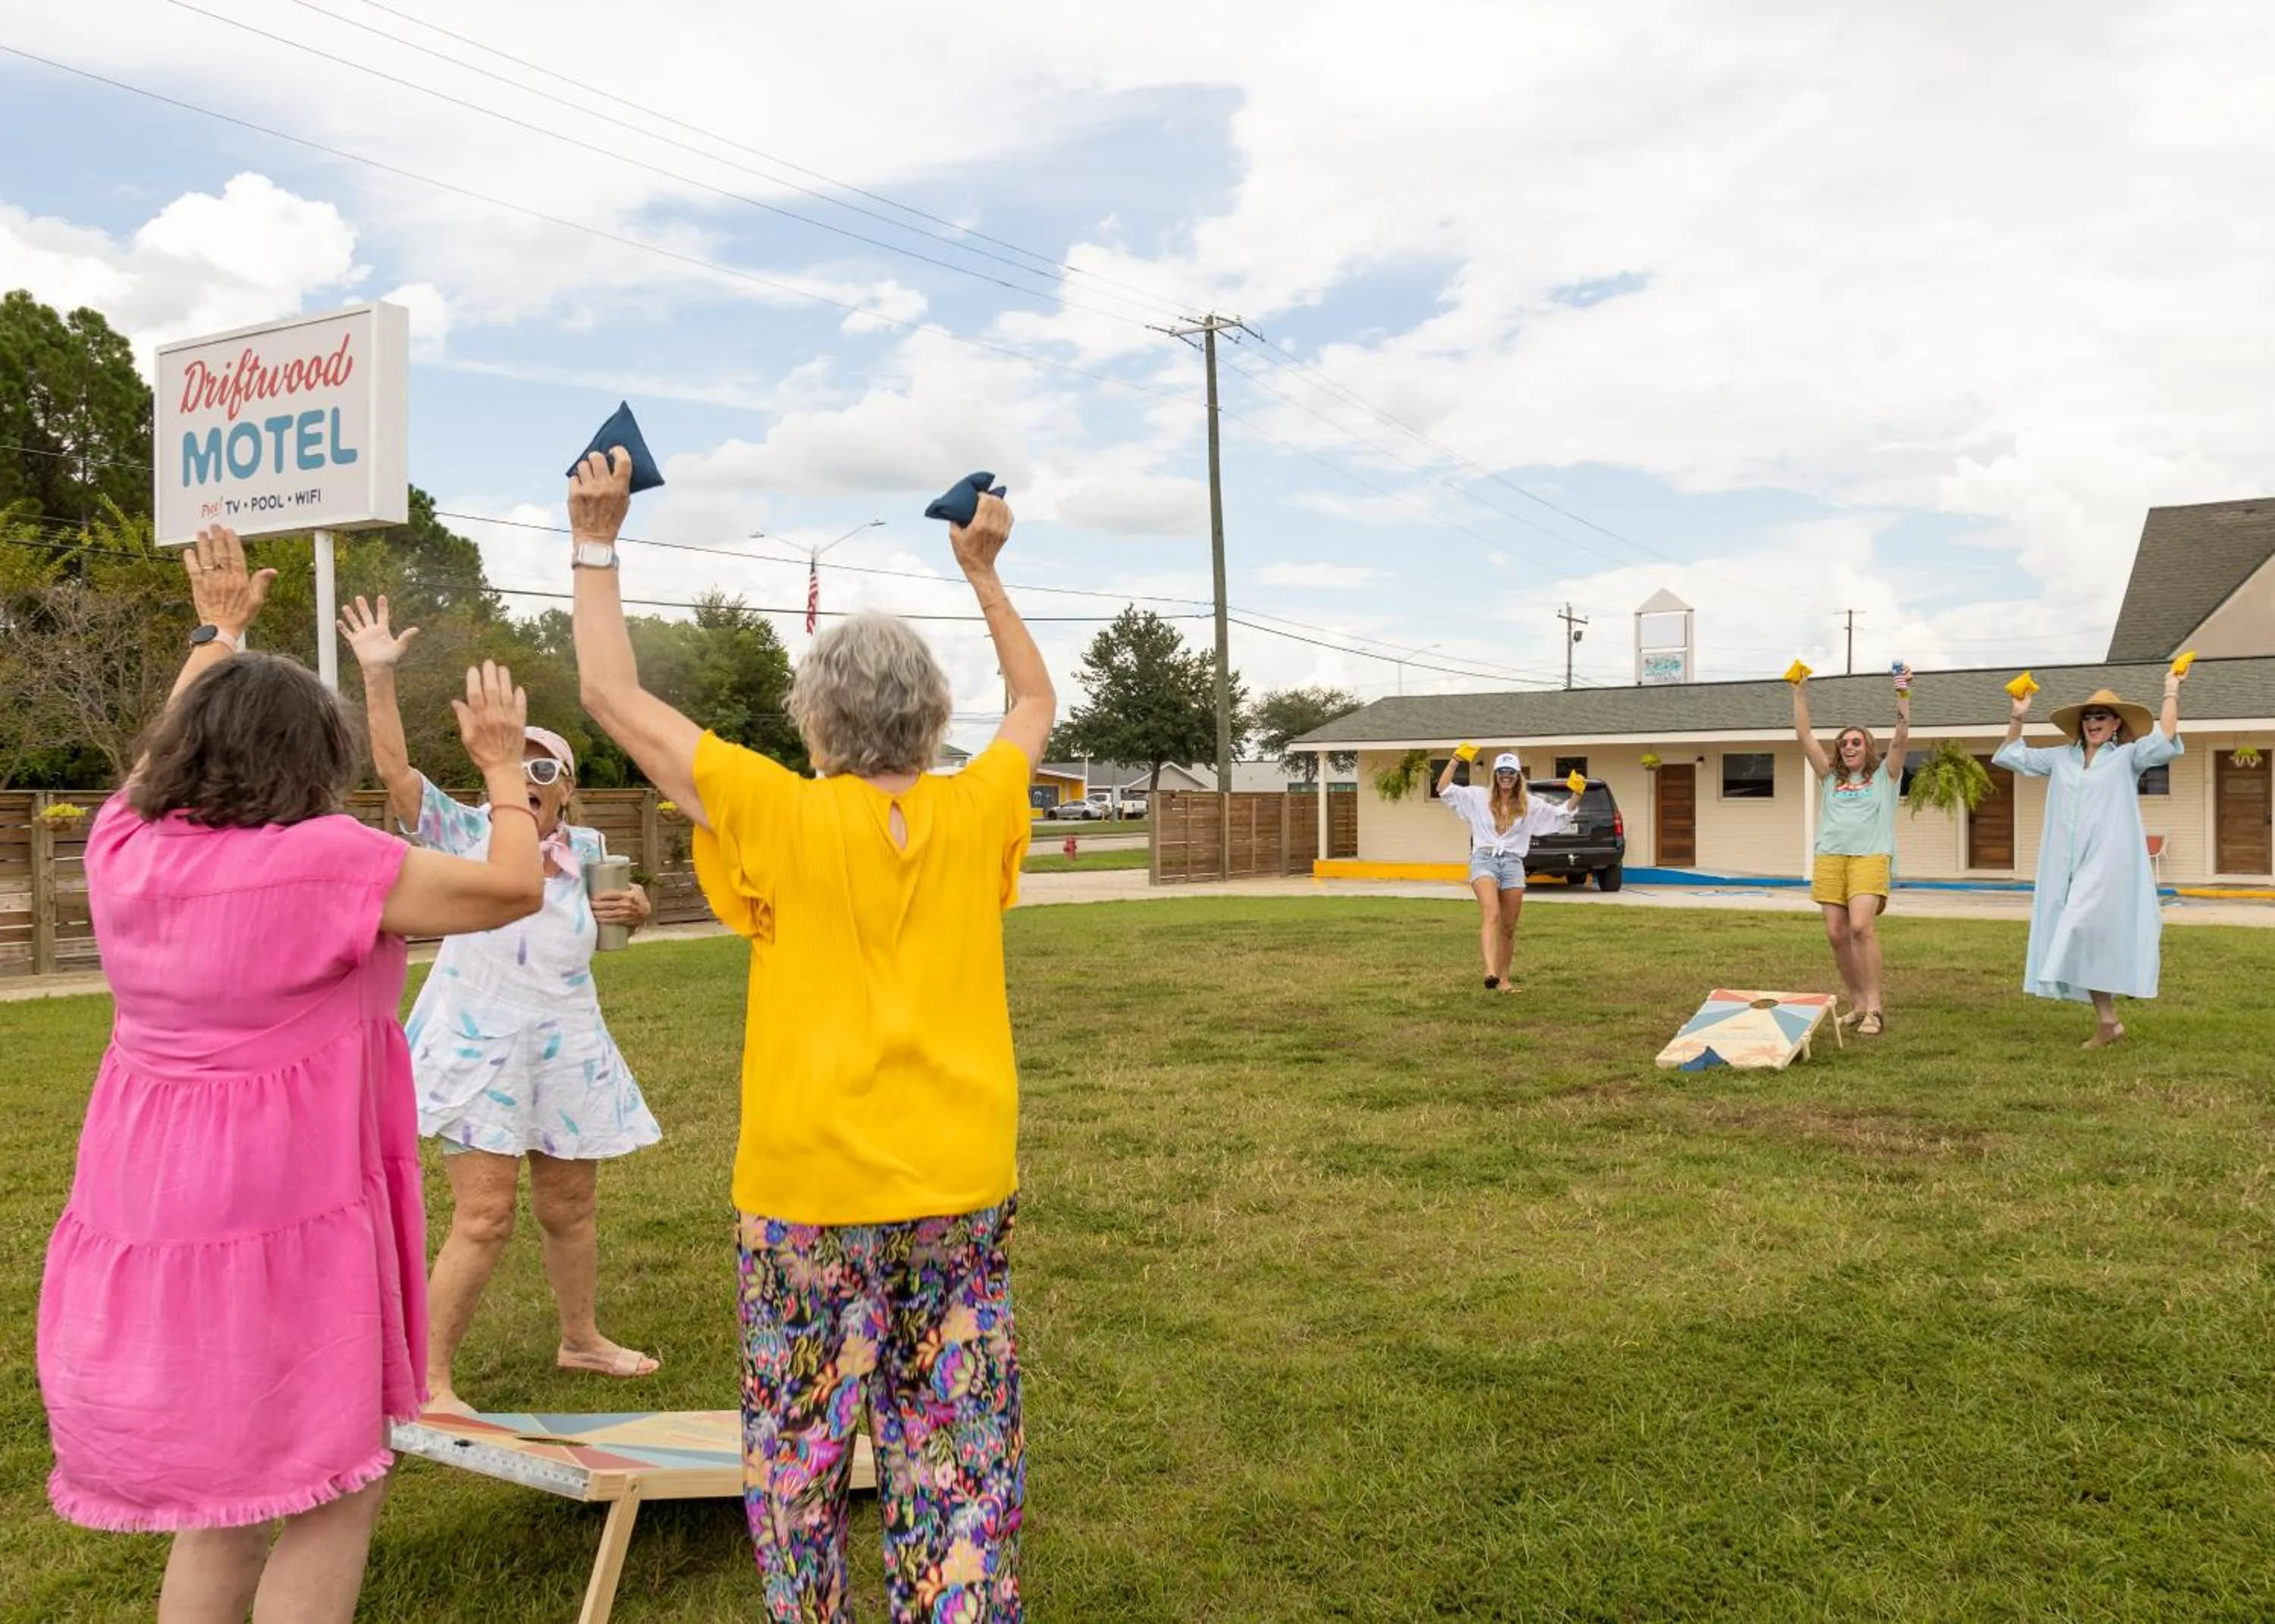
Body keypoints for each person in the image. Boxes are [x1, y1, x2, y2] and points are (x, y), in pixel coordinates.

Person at [565, 447, 1051, 1621]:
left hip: (804, 1195)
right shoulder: (979, 802)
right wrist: (983, 572)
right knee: (958, 1443)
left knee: (794, 1454)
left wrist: (595, 539)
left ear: (817, 720)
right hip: (959, 1184)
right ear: (932, 718)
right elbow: (1034, 704)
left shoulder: (774, 810)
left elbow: (612, 698)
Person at [36, 528, 544, 1624]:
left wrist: (219, 634)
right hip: (285, 1197)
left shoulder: (123, 846)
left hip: (145, 1191)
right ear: (311, 757)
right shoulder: (328, 860)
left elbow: (147, 760)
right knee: (330, 1480)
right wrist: (505, 762)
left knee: (223, 1498)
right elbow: (513, 886)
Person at [338, 596, 663, 1412]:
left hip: (567, 1042)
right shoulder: (463, 829)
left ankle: (580, 1339)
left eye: (544, 765)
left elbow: (597, 930)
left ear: (567, 788)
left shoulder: (589, 851)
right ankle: (431, 1380)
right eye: (516, 761)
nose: (528, 775)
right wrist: (379, 677)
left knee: (570, 1203)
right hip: (481, 1041)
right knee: (484, 1216)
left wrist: (636, 911)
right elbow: (393, 773)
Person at [1994, 672, 2186, 1049]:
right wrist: (2018, 716)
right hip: (2065, 865)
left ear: (2116, 724)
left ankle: (2103, 1012)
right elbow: (2011, 756)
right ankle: (2108, 1021)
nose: (2094, 721)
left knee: (2075, 924)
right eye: (2089, 716)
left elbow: (2165, 738)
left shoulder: (2127, 758)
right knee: (2086, 937)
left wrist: (2170, 690)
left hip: (2107, 863)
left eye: (2103, 715)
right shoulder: (2060, 759)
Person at [1793, 666, 1910, 1035]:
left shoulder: (1884, 776)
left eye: (1856, 742)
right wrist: (1799, 691)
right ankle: (1858, 1004)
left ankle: (1875, 1008)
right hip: (1831, 856)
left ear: (1868, 747)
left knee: (1861, 927)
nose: (1849, 747)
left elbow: (1901, 737)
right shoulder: (1830, 777)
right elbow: (1804, 735)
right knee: (1835, 933)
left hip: (1870, 857)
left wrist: (1902, 693)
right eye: (1844, 743)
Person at [1433, 750, 1577, 991]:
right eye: (1502, 772)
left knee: (1508, 928)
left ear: (1518, 776)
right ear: (1495, 775)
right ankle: (1490, 971)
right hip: (1484, 859)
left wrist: (1577, 794)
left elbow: (1560, 816)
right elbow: (1444, 788)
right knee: (1492, 915)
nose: (1506, 776)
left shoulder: (1529, 804)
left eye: (1511, 772)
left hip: (1512, 863)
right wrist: (1455, 760)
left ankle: (1504, 979)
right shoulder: (1478, 797)